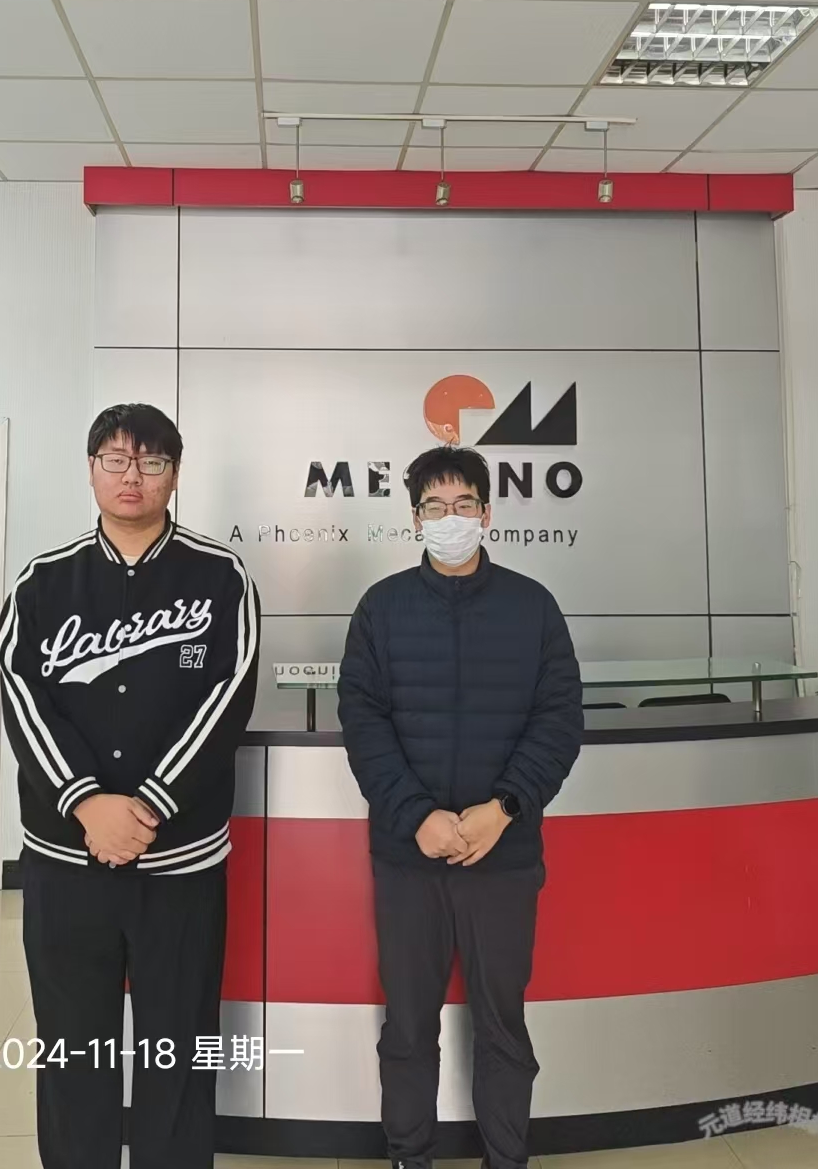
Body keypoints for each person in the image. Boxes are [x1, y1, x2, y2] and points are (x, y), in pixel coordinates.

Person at [0, 403, 260, 1169]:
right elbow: (20, 697)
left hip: (180, 864)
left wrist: (146, 807)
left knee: (178, 1046)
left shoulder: (220, 577)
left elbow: (228, 697)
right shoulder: (44, 582)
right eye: (115, 459)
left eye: (150, 461)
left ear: (175, 474)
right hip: (65, 862)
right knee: (72, 1045)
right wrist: (85, 802)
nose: (132, 476)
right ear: (91, 470)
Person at [337, 444, 583, 1169]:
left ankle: (507, 1159)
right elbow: (363, 723)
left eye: (464, 504)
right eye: (436, 507)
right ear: (416, 519)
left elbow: (559, 720)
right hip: (407, 858)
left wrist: (502, 808)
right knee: (409, 1028)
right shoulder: (381, 610)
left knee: (503, 1027)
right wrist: (417, 816)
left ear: (487, 514)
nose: (451, 518)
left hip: (503, 856)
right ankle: (409, 1156)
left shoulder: (533, 608)